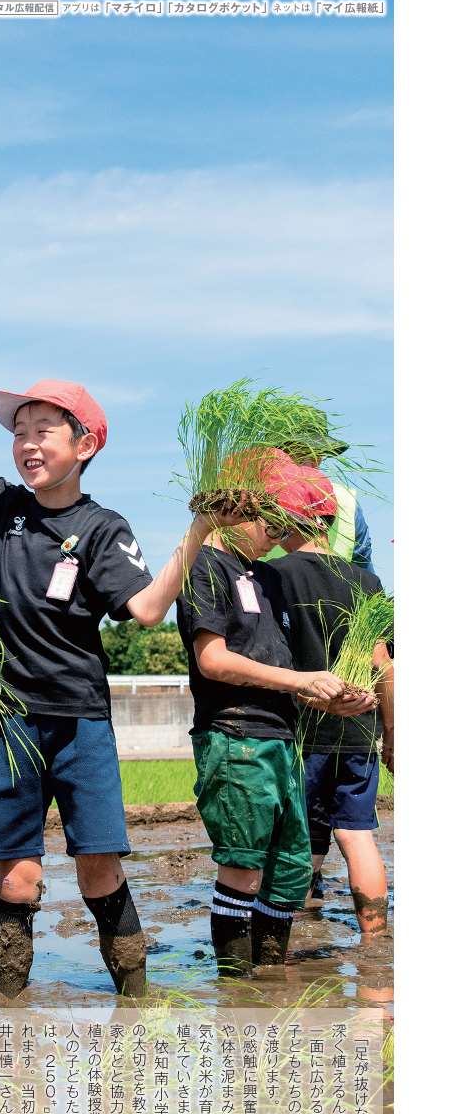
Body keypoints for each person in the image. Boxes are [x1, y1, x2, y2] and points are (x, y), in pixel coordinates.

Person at [0, 295, 249, 999]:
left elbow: (147, 610)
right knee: (17, 874)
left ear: (85, 443)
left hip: (80, 721)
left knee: (99, 865)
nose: (27, 442)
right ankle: (11, 1014)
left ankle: (136, 999)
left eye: (43, 430)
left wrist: (199, 529)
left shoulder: (102, 528)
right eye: (19, 431)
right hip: (9, 719)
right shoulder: (4, 508)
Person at [174, 455, 375, 975]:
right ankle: (238, 989)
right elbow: (213, 659)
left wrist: (327, 698)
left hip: (282, 738)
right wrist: (300, 681)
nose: (274, 538)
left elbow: (275, 668)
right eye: (270, 524)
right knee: (243, 866)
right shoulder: (204, 566)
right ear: (239, 507)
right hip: (237, 737)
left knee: (287, 873)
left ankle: (269, 980)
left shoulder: (262, 576)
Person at [269, 469, 394, 937]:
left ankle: (300, 928)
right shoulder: (368, 580)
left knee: (300, 834)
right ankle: (376, 938)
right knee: (357, 834)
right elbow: (384, 664)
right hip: (360, 732)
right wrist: (391, 734)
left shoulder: (272, 576)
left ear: (286, 518)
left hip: (301, 730)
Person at [261, 402, 374, 571]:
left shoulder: (348, 505)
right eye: (298, 452)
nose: (314, 461)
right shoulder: (244, 502)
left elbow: (366, 585)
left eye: (315, 453)